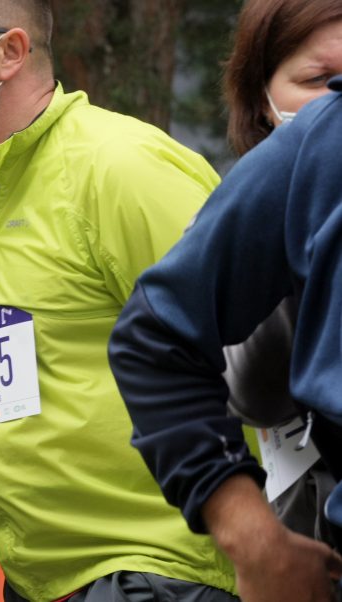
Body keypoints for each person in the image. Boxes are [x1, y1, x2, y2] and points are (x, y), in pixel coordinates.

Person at [0, 0, 237, 600]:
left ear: (10, 53)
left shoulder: (121, 166)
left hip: (156, 572)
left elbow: (244, 362)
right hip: (37, 579)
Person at [108, 74, 342, 602]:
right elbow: (157, 334)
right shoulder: (324, 140)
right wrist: (251, 535)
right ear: (261, 99)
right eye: (311, 77)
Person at [218, 0, 342, 545]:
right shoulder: (250, 209)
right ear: (263, 101)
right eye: (320, 80)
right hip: (306, 532)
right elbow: (251, 390)